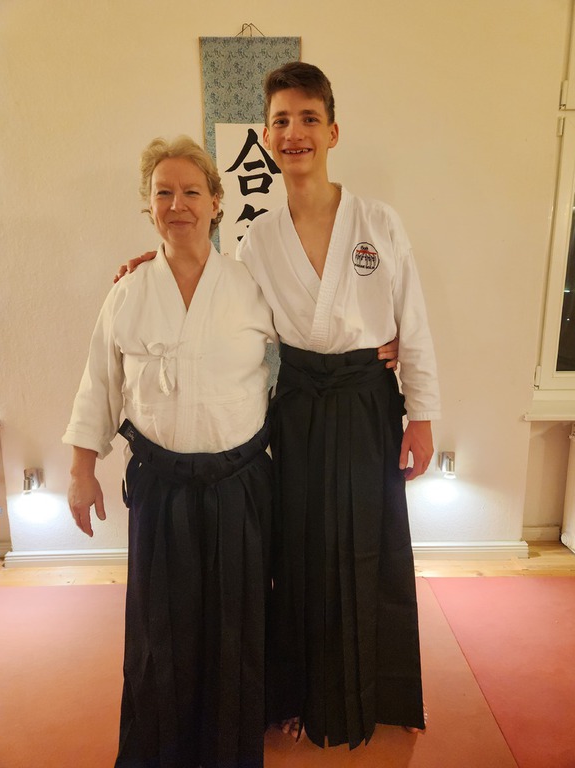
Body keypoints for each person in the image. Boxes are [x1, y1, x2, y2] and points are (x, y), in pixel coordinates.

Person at [235, 62, 441, 748]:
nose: (294, 133)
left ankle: (371, 693)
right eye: (281, 121)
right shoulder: (258, 239)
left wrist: (422, 415)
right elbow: (227, 314)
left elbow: (413, 321)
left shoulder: (377, 221)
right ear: (267, 136)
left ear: (333, 132)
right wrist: (157, 262)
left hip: (364, 401)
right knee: (296, 549)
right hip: (298, 403)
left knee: (367, 543)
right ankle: (298, 695)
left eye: (308, 119)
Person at [63, 136, 277, 768]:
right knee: (160, 628)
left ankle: (230, 752)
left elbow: (309, 349)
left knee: (234, 627)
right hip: (161, 486)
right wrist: (81, 471)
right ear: (148, 205)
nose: (177, 204)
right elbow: (99, 383)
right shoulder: (128, 292)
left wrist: (382, 349)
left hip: (239, 483)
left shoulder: (252, 286)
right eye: (163, 193)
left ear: (216, 203)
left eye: (191, 192)